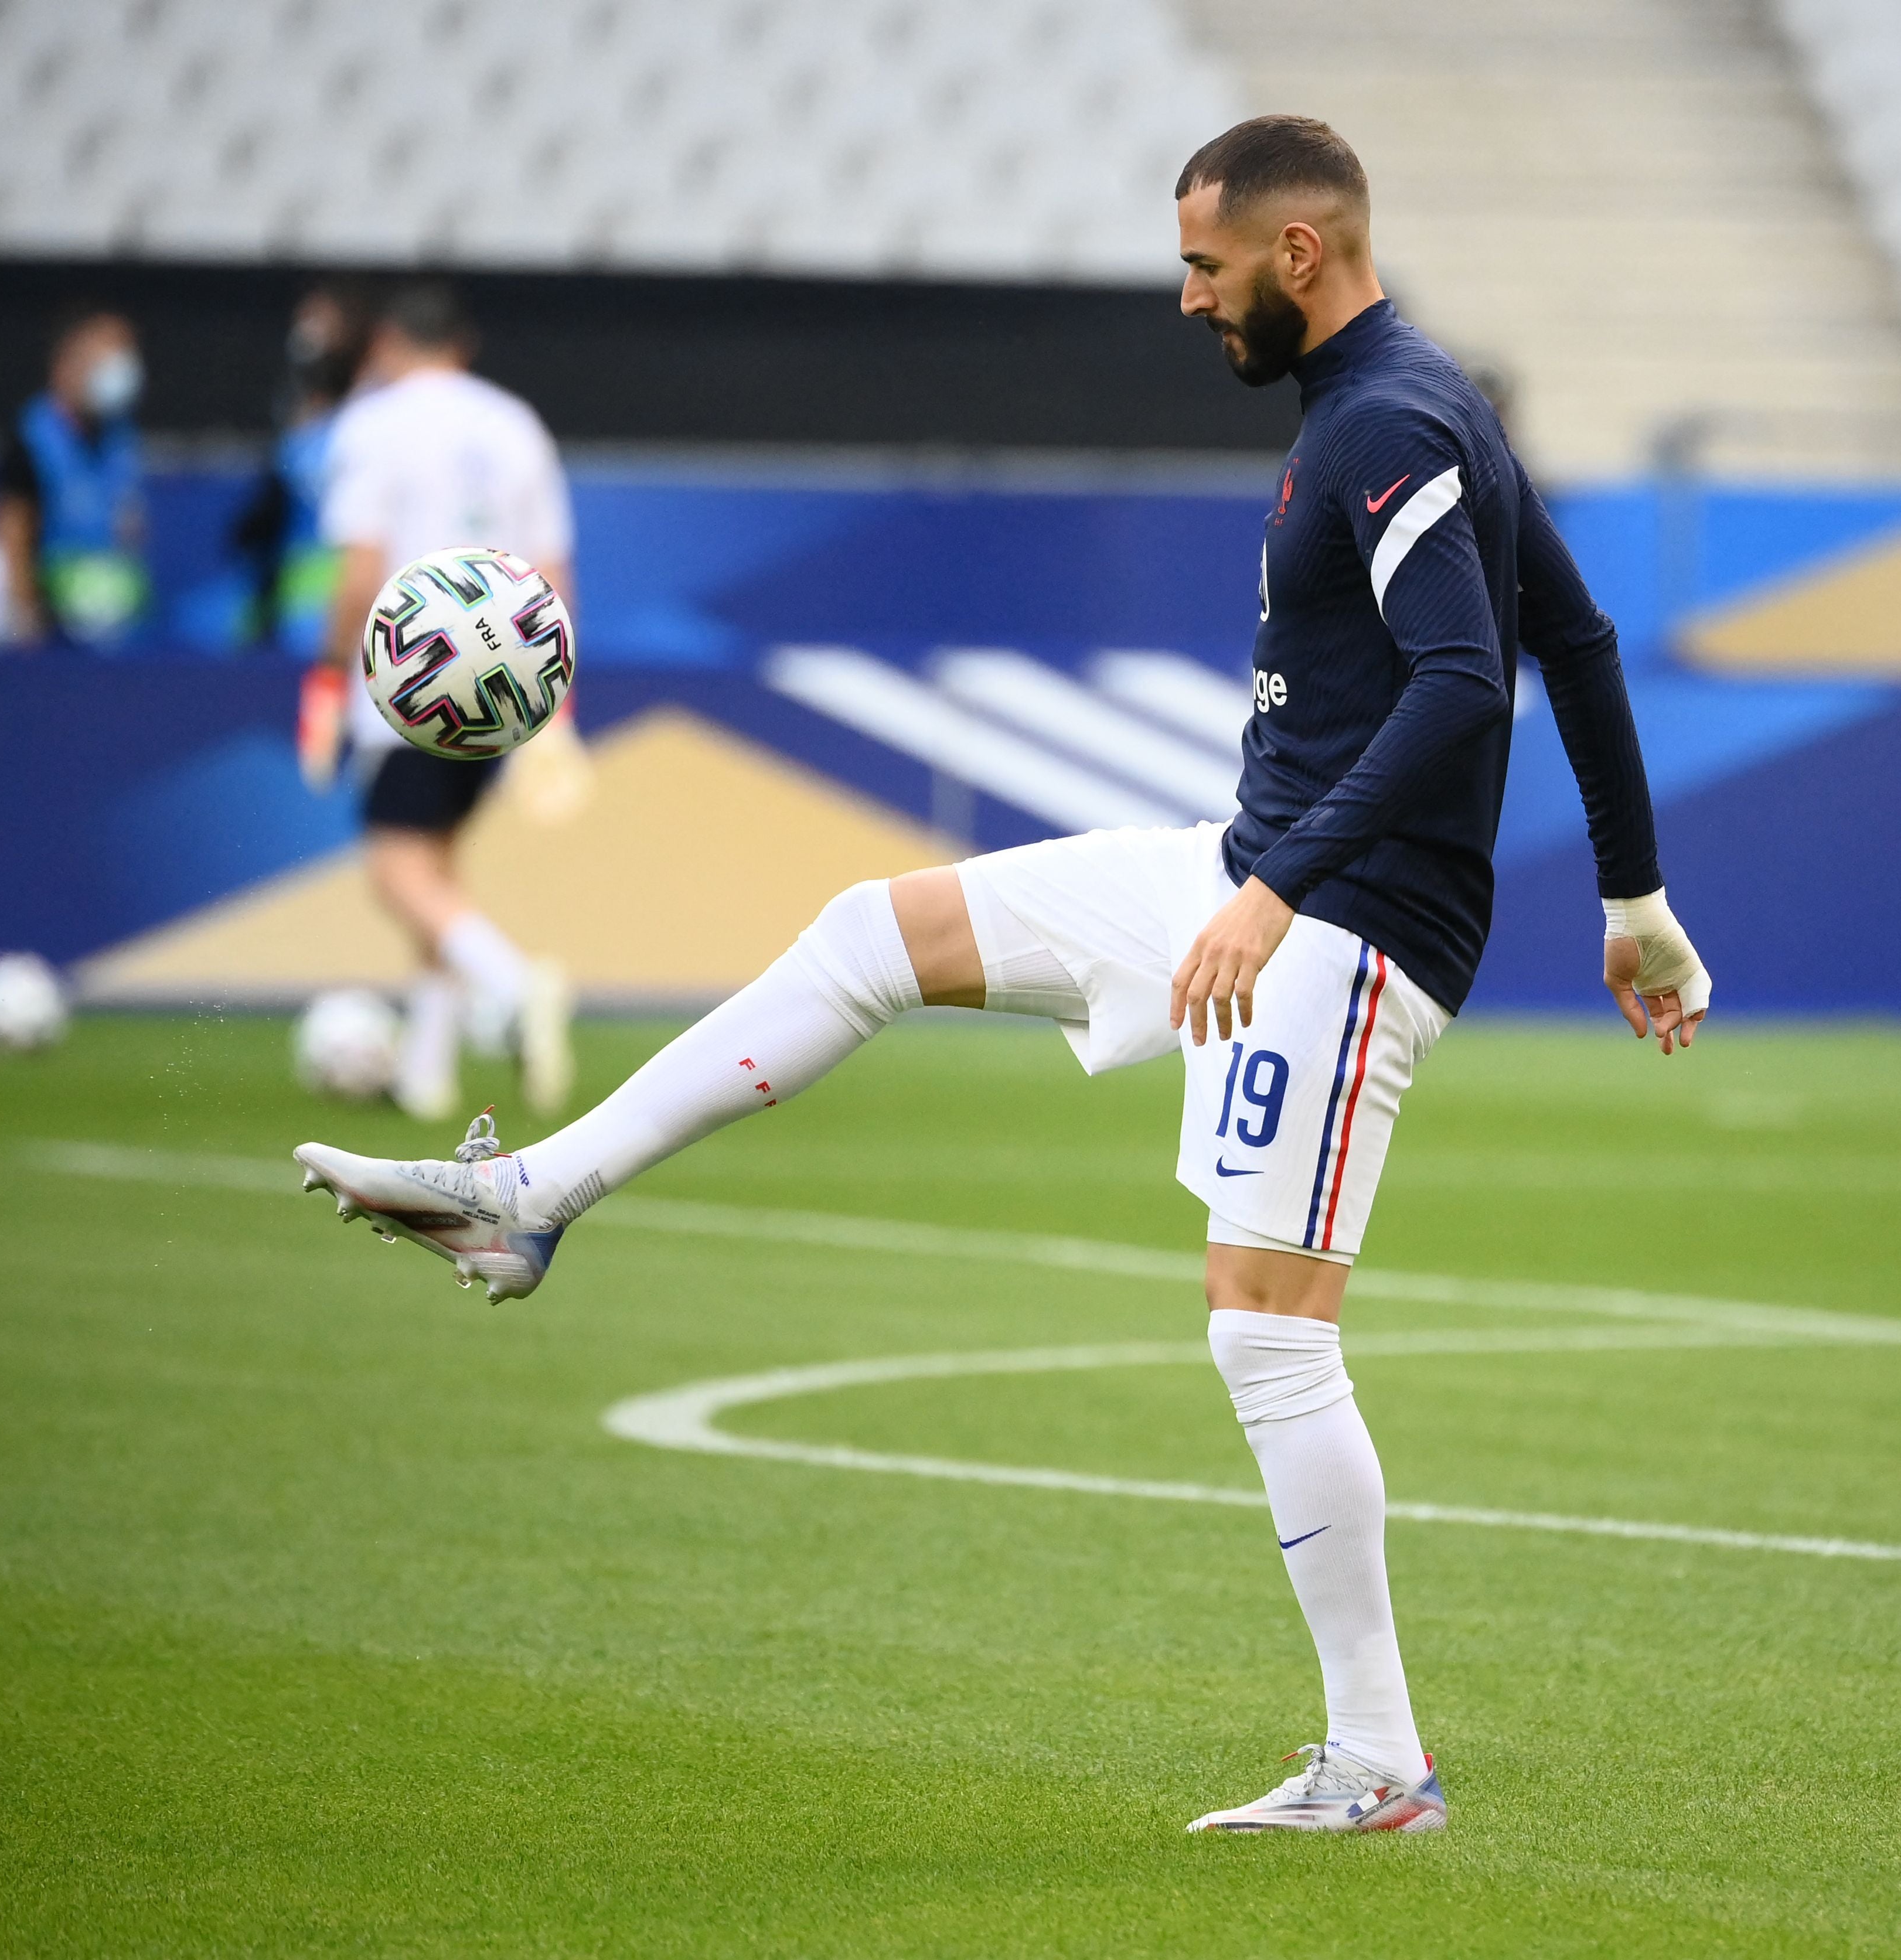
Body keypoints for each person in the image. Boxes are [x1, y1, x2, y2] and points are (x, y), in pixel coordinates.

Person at [285, 115, 1711, 1836]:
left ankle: (1379, 1759)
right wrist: (1630, 893)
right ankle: (534, 1190)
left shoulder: (1397, 420)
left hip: (1345, 930)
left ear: (1298, 256)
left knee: (1267, 1330)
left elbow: (1469, 680)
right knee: (875, 930)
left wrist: (1275, 893)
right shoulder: (1399, 404)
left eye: (1204, 264)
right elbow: (1576, 634)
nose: (1187, 298)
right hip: (1245, 874)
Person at [299, 279, 576, 1120]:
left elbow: (359, 569)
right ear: (462, 344)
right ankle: (425, 1073)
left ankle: (513, 985)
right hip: (504, 683)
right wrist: (554, 706)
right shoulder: (514, 421)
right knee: (440, 873)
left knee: (396, 870)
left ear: (386, 343)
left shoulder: (374, 424)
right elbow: (550, 571)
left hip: (413, 674)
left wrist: (324, 674)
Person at [0, 306, 151, 647]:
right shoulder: (32, 438)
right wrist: (28, 620)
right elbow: (12, 531)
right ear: (67, 365)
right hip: (51, 624)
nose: (120, 371)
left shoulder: (122, 440)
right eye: (107, 359)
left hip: (116, 630)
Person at [234, 280, 373, 655]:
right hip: (293, 616)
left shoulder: (379, 418)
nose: (309, 339)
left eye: (322, 327)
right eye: (305, 324)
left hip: (358, 618)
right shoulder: (293, 418)